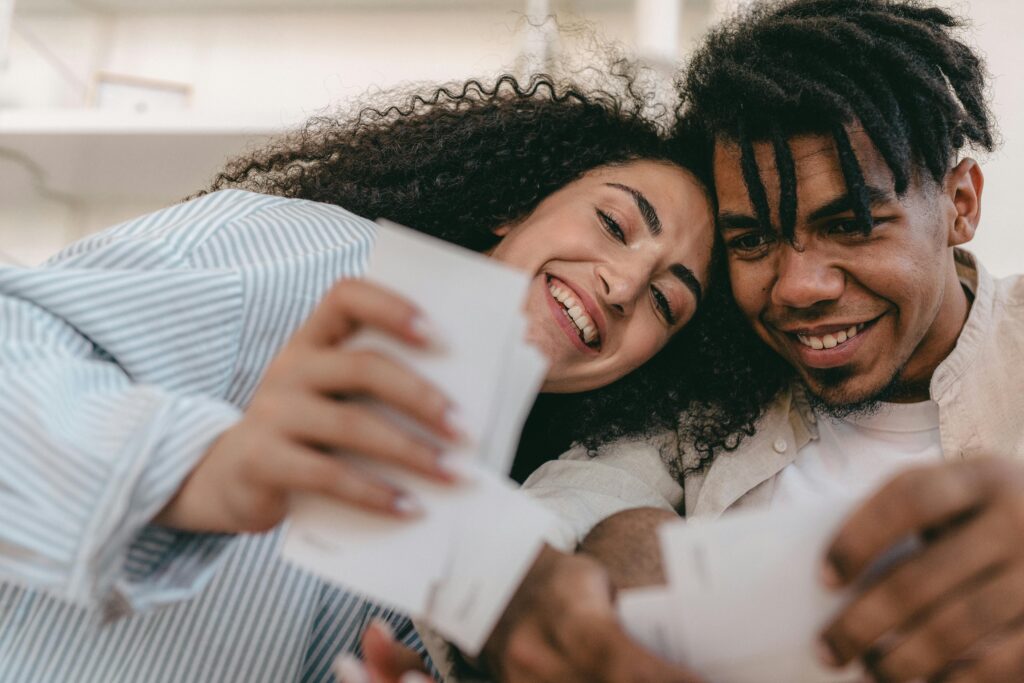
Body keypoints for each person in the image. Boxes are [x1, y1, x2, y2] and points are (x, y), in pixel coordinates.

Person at [0, 73, 766, 681]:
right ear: (514, 204)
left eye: (665, 303)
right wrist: (204, 467)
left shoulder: (507, 493)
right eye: (614, 223)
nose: (624, 286)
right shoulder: (320, 255)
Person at [369, 1, 1024, 681]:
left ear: (961, 204)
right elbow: (577, 497)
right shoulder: (718, 391)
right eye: (754, 240)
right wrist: (524, 593)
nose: (799, 287)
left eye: (851, 225)